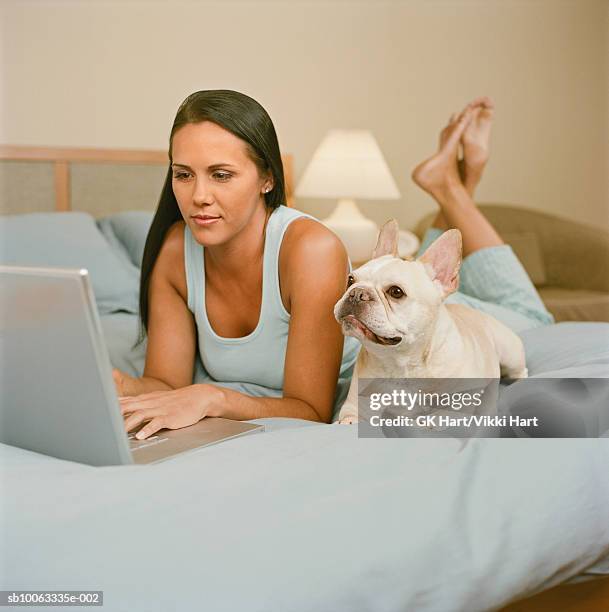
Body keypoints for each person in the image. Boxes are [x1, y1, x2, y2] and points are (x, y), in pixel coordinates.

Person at [115, 91, 552, 440]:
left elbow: (311, 410)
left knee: (534, 317)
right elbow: (165, 385)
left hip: (419, 321)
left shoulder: (311, 250)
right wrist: (116, 383)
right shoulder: (175, 251)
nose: (198, 197)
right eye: (183, 174)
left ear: (267, 179)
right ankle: (452, 185)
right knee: (423, 271)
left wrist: (213, 398)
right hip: (404, 298)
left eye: (222, 174)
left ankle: (455, 188)